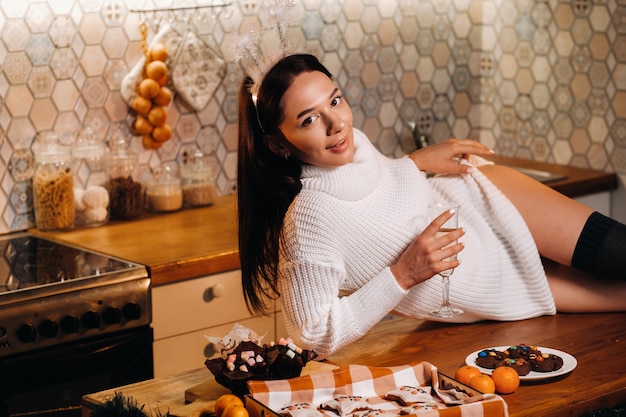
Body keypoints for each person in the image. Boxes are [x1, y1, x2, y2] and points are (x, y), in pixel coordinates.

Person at [237, 53, 626, 358]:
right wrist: (402, 275)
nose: (336, 123)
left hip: (490, 204)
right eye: (308, 120)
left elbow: (379, 189)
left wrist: (415, 162)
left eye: (335, 100)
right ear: (276, 143)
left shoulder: (355, 147)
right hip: (494, 285)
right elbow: (312, 335)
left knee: (619, 253)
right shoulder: (308, 221)